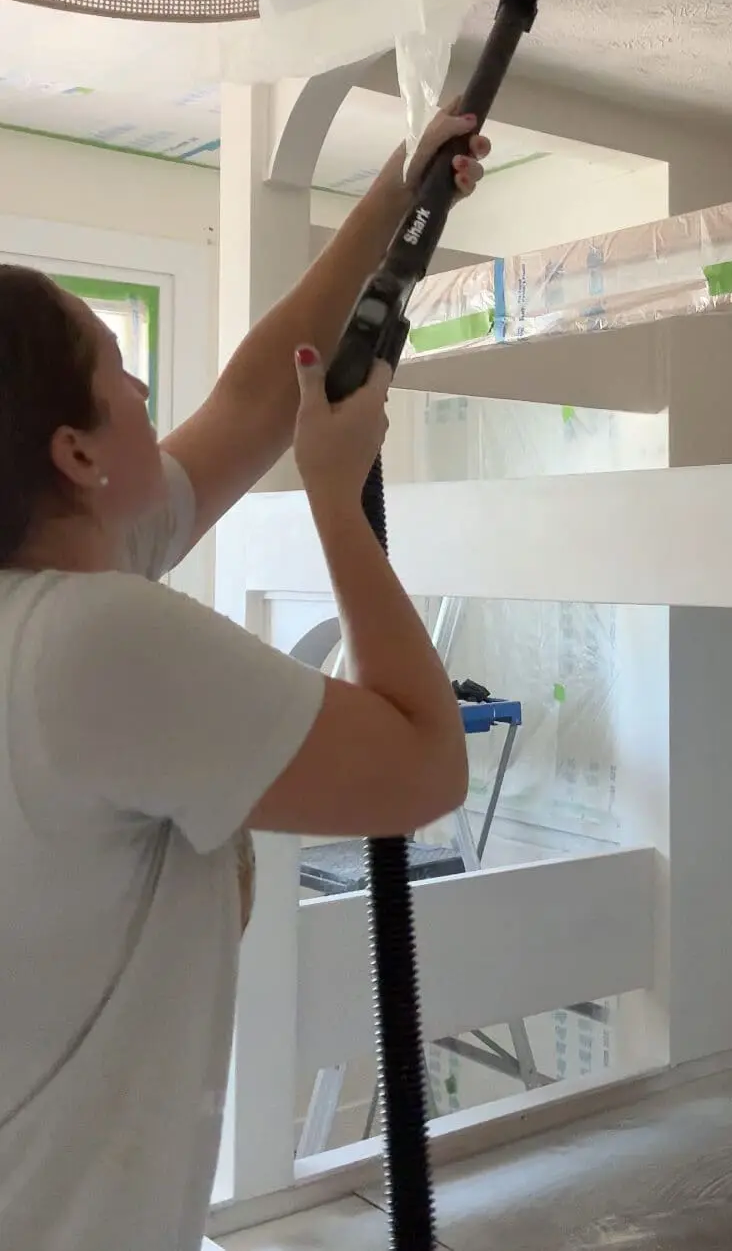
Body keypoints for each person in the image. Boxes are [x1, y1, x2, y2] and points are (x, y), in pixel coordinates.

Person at [0, 106, 489, 1251]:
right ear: (75, 453)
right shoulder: (96, 641)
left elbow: (255, 399)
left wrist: (391, 203)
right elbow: (424, 759)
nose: (144, 395)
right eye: (119, 371)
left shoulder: (40, 594)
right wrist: (336, 496)